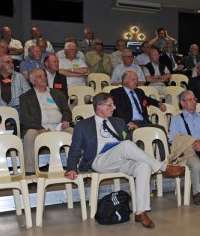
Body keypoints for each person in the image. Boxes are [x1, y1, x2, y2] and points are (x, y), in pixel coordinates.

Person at [65, 92, 185, 229]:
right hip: (99, 160)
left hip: (120, 159)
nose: (114, 108)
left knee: (144, 166)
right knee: (126, 145)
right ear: (99, 106)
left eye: (113, 105)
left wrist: (130, 132)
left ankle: (141, 211)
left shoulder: (118, 121)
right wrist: (71, 168)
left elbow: (125, 140)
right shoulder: (83, 125)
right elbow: (75, 149)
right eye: (110, 105)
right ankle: (164, 168)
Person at [20, 68, 73, 174]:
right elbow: (26, 117)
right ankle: (30, 172)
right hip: (38, 127)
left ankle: (74, 167)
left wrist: (65, 120)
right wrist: (39, 128)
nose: (44, 78)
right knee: (30, 135)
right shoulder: (25, 97)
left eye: (44, 75)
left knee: (72, 132)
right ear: (32, 81)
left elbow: (66, 110)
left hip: (59, 127)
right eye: (39, 76)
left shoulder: (58, 94)